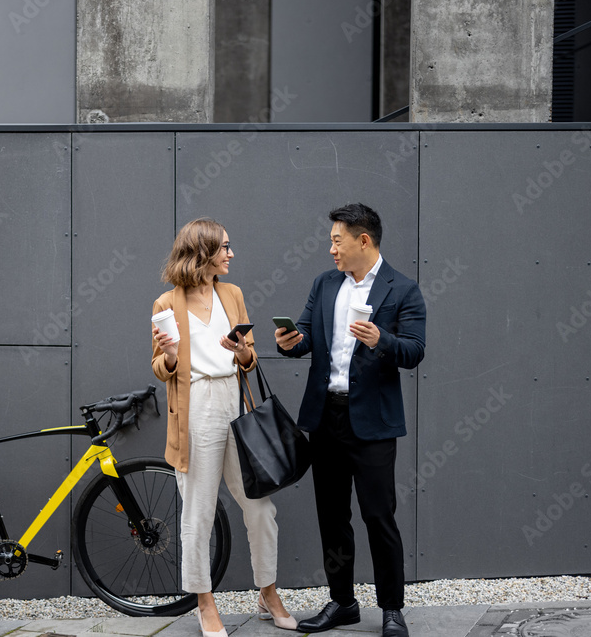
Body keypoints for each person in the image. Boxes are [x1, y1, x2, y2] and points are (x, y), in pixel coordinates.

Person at [275, 203, 425, 637]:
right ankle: (342, 602)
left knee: (379, 516)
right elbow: (303, 337)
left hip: (373, 423)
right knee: (332, 515)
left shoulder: (403, 290)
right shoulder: (325, 285)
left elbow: (415, 351)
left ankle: (392, 609)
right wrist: (289, 341)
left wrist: (383, 340)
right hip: (326, 418)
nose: (331, 249)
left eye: (337, 240)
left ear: (364, 240)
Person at [152, 218, 296, 637]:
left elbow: (249, 361)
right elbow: (161, 369)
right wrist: (173, 355)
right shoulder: (166, 304)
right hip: (195, 407)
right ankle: (204, 601)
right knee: (198, 514)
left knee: (261, 507)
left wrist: (242, 351)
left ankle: (267, 592)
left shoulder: (231, 294)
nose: (231, 254)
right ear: (203, 252)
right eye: (225, 247)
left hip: (236, 402)